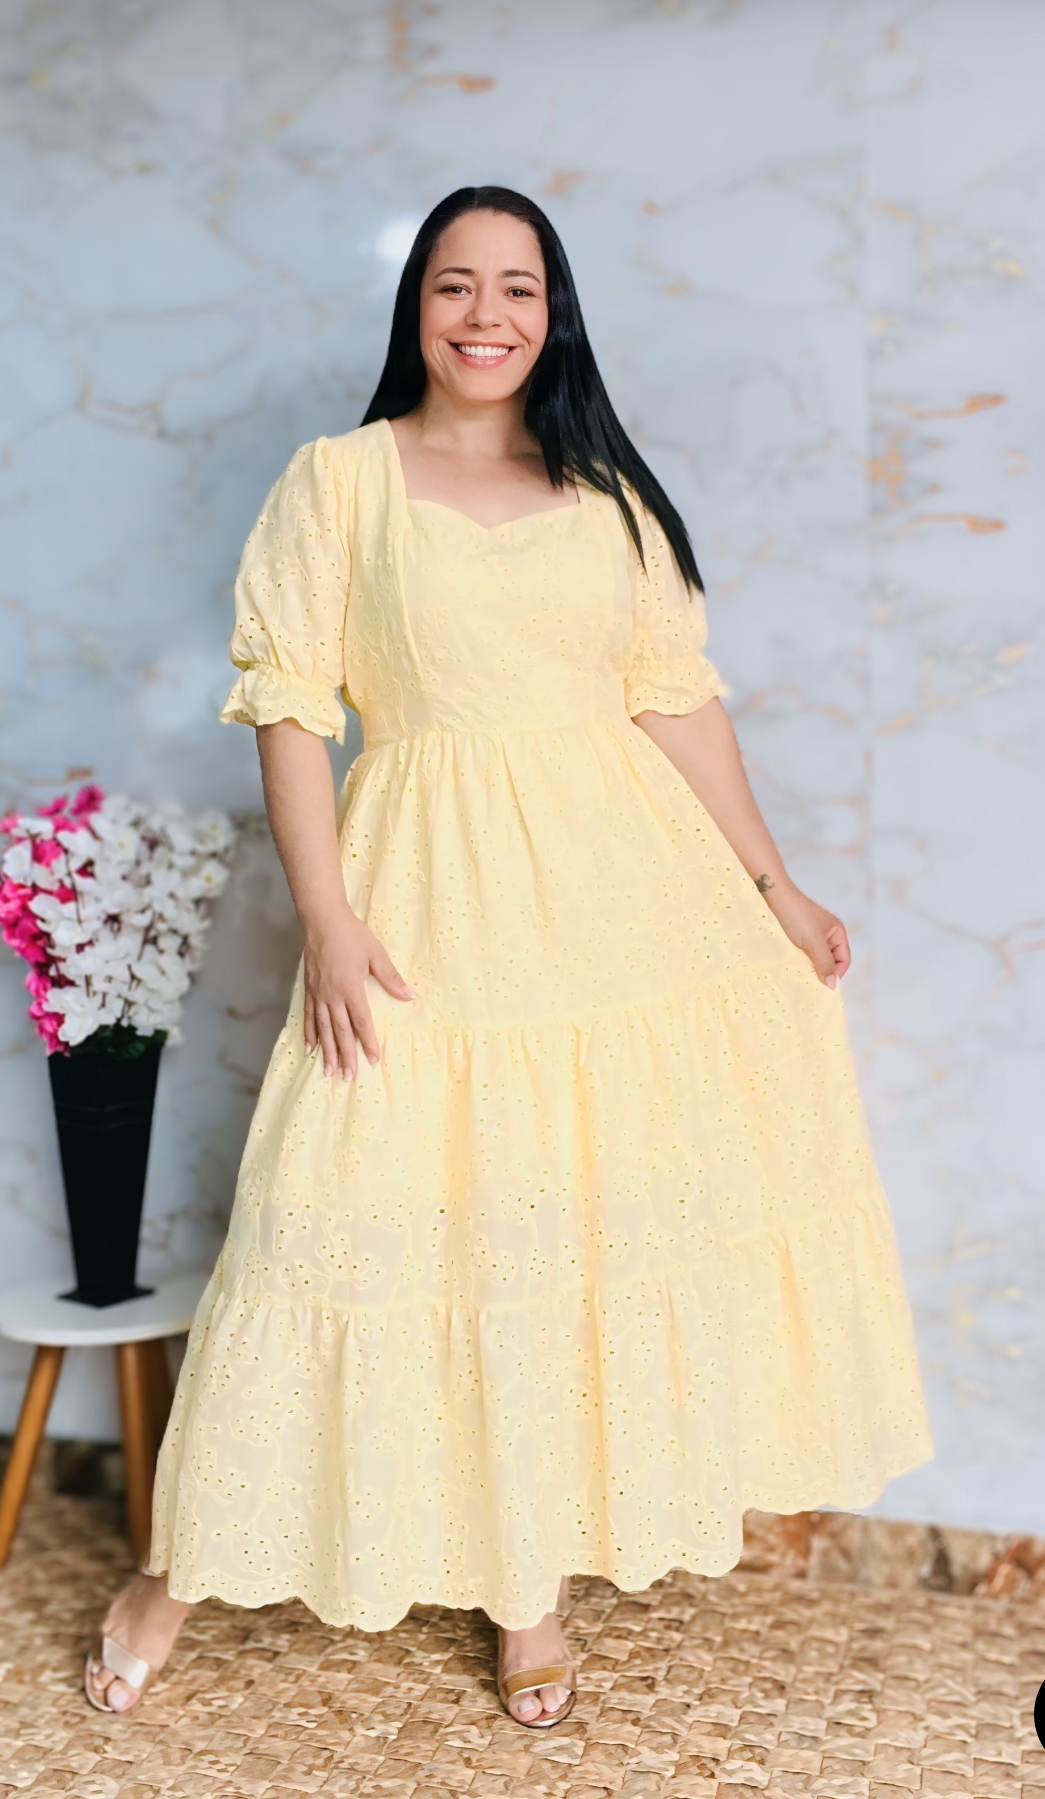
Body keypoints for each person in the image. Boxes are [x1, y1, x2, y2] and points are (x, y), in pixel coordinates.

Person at [85, 185, 933, 1730]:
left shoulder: (605, 498)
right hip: (423, 895)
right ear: (416, 304)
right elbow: (292, 709)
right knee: (326, 1218)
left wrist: (775, 887)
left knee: (550, 1232)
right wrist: (329, 920)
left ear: (555, 316)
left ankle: (524, 1583)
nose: (487, 314)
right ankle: (174, 1575)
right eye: (457, 284)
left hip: (613, 907)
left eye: (518, 289)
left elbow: (673, 699)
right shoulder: (340, 481)